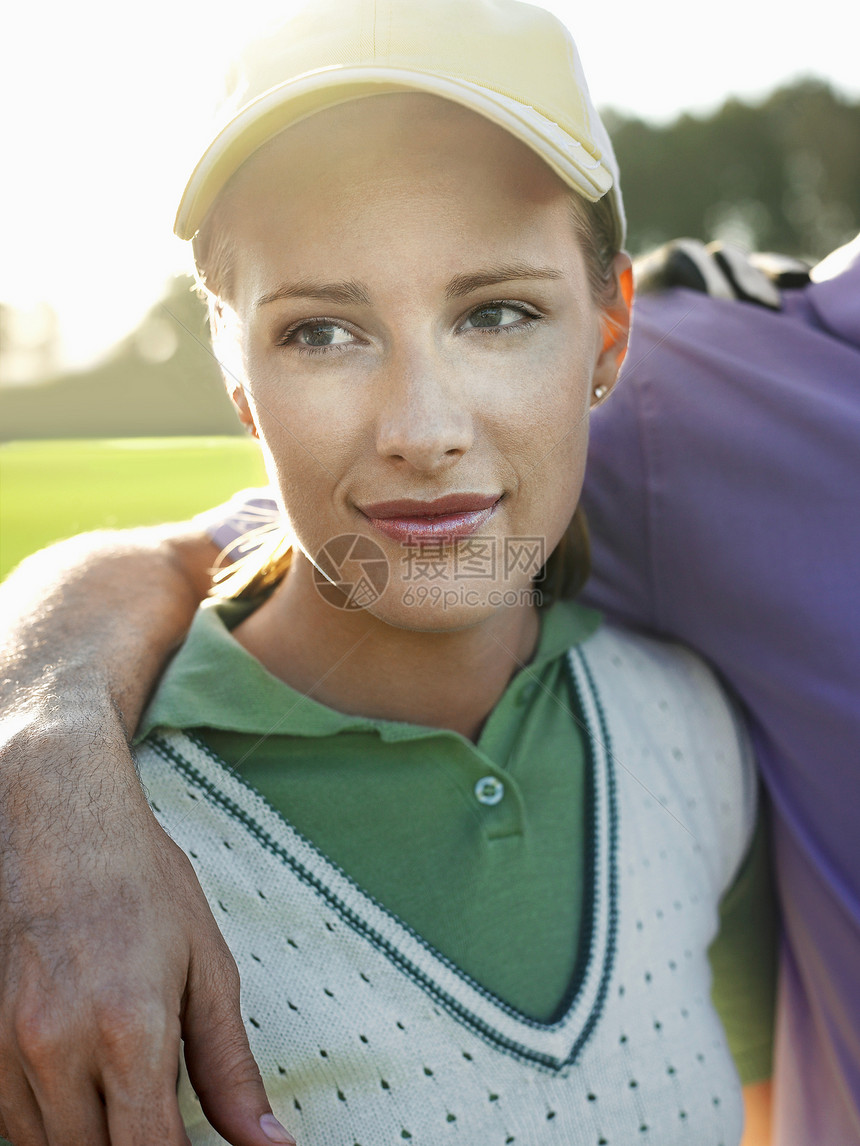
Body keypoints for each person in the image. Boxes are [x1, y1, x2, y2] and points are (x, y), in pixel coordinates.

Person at [0, 1, 778, 1144]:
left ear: (608, 330)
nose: (422, 429)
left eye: (497, 313)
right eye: (321, 331)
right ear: (231, 362)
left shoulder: (694, 731)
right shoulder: (54, 890)